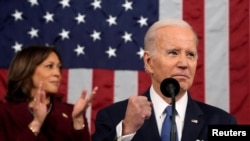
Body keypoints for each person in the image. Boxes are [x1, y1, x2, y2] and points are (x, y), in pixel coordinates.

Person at [92, 19, 237, 141]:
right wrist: (127, 131)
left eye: (190, 55)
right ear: (149, 62)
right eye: (173, 53)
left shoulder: (222, 122)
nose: (184, 63)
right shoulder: (113, 117)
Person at [0, 45, 98, 141]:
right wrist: (36, 123)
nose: (57, 73)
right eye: (49, 66)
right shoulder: (5, 113)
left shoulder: (71, 112)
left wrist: (78, 121)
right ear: (27, 70)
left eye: (59, 67)